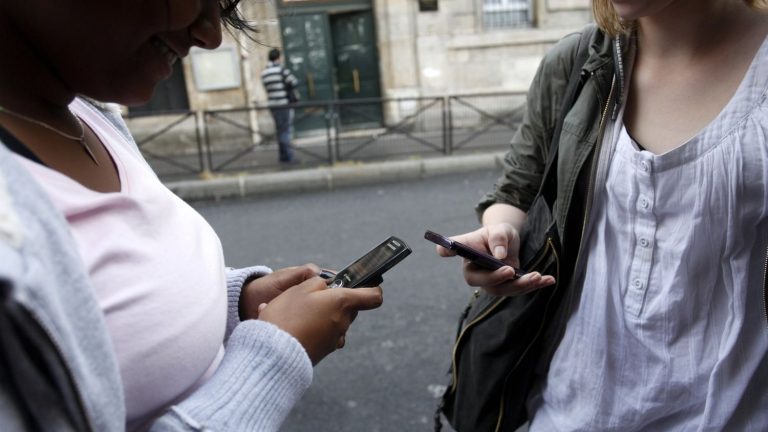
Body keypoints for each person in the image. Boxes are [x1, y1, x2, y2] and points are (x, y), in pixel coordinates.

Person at [0, 1, 382, 431]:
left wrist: (237, 300)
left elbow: (132, 289)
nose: (211, 34)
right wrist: (274, 357)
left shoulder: (88, 111)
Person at [436, 0, 768, 430]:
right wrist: (502, 235)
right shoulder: (577, 61)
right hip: (564, 409)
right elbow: (518, 188)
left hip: (729, 413)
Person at [261, 48, 299, 164]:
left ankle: (282, 156)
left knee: (280, 130)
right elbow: (294, 82)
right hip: (283, 104)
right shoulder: (281, 70)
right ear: (278, 57)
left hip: (272, 105)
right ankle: (289, 156)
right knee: (285, 130)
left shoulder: (264, 73)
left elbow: (266, 87)